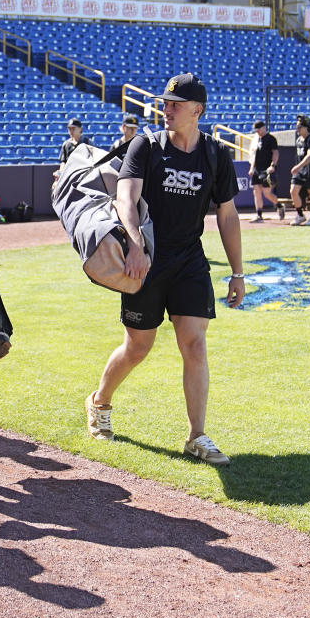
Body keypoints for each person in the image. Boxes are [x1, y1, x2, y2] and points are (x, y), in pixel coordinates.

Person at [84, 73, 244, 466]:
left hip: (189, 260)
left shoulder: (214, 154)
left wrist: (238, 272)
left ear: (197, 111)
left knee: (195, 344)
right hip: (148, 260)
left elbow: (226, 214)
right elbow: (126, 197)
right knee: (138, 346)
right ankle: (99, 402)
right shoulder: (146, 145)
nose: (166, 109)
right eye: (165, 103)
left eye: (175, 104)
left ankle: (197, 436)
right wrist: (136, 245)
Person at [289, 115, 310, 226]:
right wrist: (298, 168)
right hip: (300, 171)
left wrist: (298, 166)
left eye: (299, 127)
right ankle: (300, 215)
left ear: (306, 128)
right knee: (293, 191)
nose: (297, 129)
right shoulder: (298, 140)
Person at [247, 120, 279, 223]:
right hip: (257, 168)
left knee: (266, 193)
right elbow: (254, 155)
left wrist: (273, 165)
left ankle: (279, 205)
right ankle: (259, 214)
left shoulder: (271, 139)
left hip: (266, 169)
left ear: (264, 128)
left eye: (259, 130)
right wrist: (252, 168)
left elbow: (275, 153)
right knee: (256, 191)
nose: (258, 132)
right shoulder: (257, 140)